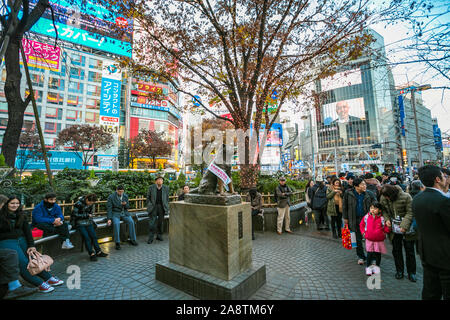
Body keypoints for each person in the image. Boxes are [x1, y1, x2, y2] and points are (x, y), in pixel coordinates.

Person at [0, 196, 63, 293]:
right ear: (6, 204)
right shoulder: (2, 215)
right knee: (22, 262)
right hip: (7, 242)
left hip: (22, 240)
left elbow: (27, 231)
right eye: (12, 203)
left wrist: (31, 245)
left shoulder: (21, 214)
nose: (15, 205)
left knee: (33, 259)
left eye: (17, 203)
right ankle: (38, 283)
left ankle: (48, 277)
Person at [412, 165, 450, 300]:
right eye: (443, 175)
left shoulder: (417, 199)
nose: (445, 178)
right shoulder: (443, 201)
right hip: (445, 256)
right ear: (437, 179)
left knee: (430, 291)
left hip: (426, 252)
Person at [0, 195, 37, 300]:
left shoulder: (18, 214)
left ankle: (14, 287)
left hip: (16, 242)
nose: (8, 207)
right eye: (5, 205)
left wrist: (31, 244)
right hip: (7, 245)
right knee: (10, 254)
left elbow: (26, 230)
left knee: (12, 254)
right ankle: (15, 287)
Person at [380, 184, 417, 282]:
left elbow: (410, 212)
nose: (386, 198)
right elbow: (383, 210)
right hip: (393, 228)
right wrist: (387, 219)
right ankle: (399, 270)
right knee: (396, 250)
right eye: (385, 196)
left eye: (388, 196)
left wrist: (404, 225)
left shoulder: (406, 196)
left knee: (409, 251)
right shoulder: (383, 197)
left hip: (407, 228)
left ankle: (411, 272)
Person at [343, 178, 377, 265]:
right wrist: (345, 218)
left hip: (367, 220)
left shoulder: (369, 194)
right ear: (356, 186)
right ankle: (361, 256)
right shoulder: (348, 193)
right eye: (362, 184)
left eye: (365, 184)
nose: (364, 186)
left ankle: (372, 258)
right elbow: (345, 206)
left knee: (369, 238)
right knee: (357, 239)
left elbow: (376, 205)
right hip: (354, 219)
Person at [71, 194, 108, 261]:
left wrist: (89, 216)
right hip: (80, 223)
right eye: (90, 202)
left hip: (88, 222)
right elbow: (75, 214)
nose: (90, 204)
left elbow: (90, 213)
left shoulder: (91, 204)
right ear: (87, 199)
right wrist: (87, 215)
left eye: (92, 203)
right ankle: (91, 254)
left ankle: (98, 251)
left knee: (94, 236)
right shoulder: (78, 204)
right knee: (87, 237)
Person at [359, 202, 391, 276]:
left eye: (375, 208)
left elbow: (386, 228)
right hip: (369, 239)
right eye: (371, 208)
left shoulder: (382, 218)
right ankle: (368, 269)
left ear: (380, 210)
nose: (373, 210)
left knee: (377, 255)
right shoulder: (366, 217)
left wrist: (387, 230)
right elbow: (361, 225)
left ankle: (376, 268)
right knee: (369, 254)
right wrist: (363, 232)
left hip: (379, 240)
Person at [107, 185, 138, 250]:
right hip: (115, 213)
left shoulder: (125, 196)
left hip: (125, 213)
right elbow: (109, 208)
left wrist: (125, 204)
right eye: (119, 192)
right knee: (116, 224)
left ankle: (133, 239)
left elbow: (128, 206)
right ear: (116, 190)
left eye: (122, 191)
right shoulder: (111, 197)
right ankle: (117, 242)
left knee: (131, 222)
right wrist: (109, 218)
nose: (121, 193)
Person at [146, 176, 170, 243]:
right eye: (159, 180)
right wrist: (149, 205)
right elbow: (148, 197)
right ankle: (150, 237)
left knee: (160, 222)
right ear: (156, 181)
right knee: (152, 222)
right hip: (153, 206)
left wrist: (166, 205)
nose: (160, 181)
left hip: (162, 207)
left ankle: (159, 236)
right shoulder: (151, 187)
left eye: (161, 180)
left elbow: (167, 198)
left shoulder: (166, 188)